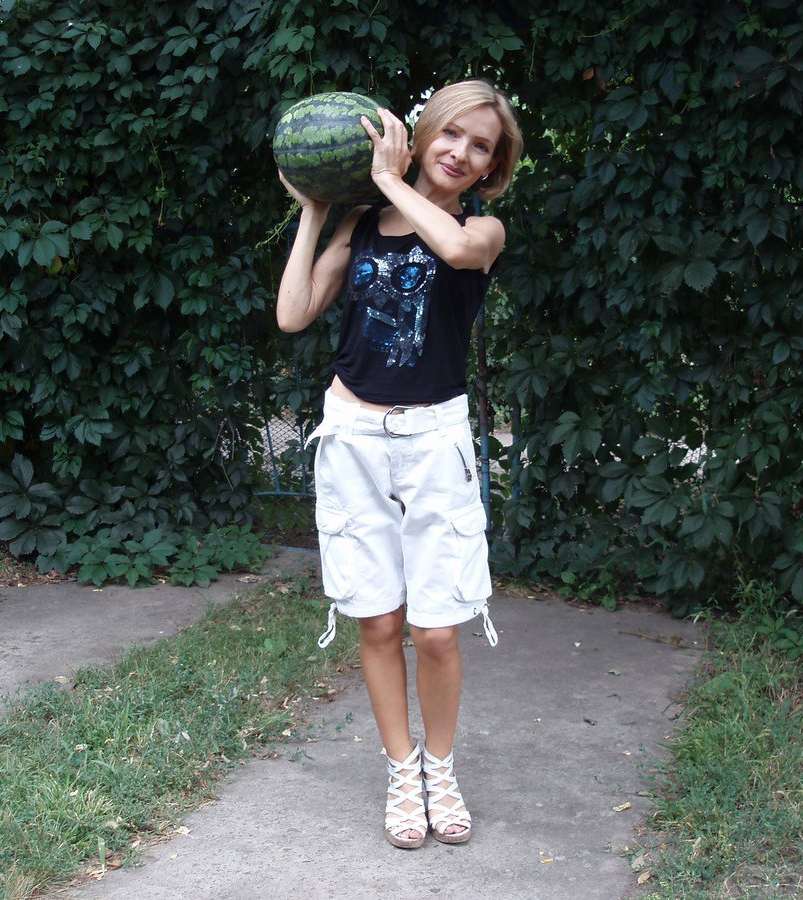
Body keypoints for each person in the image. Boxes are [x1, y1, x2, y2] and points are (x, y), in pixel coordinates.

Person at [276, 79, 523, 850]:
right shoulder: (359, 223)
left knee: (437, 631)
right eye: (451, 133)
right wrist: (315, 210)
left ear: (492, 167)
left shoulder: (482, 231)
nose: (461, 152)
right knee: (379, 622)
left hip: (433, 441)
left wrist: (388, 180)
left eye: (481, 147)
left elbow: (453, 251)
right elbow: (292, 313)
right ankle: (401, 771)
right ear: (420, 135)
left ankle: (441, 771)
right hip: (352, 435)